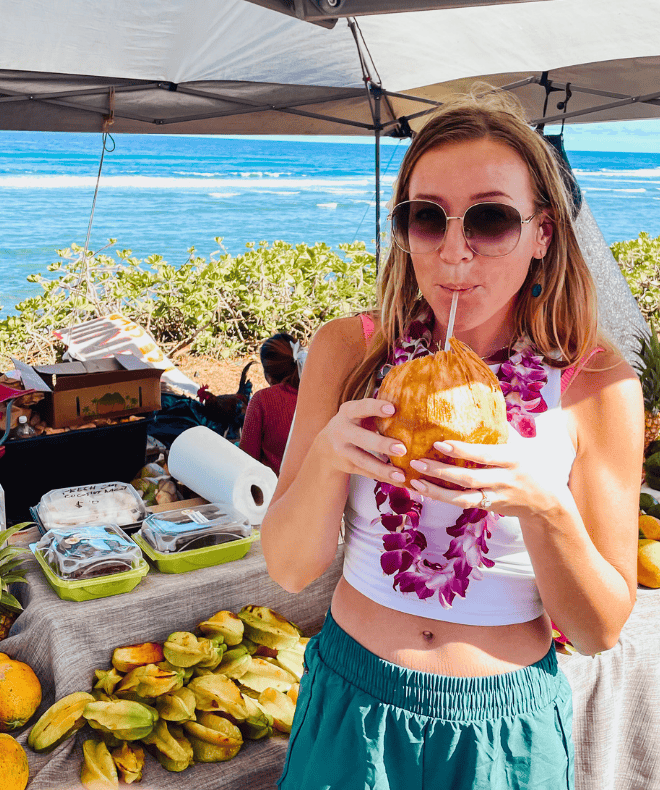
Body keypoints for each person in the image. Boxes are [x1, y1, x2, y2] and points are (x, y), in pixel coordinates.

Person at [261, 88, 644, 790]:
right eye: (425, 217)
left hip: (503, 731)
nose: (454, 251)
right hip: (351, 703)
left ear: (542, 235)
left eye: (491, 220)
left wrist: (542, 506)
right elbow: (289, 571)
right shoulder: (350, 349)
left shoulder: (597, 384)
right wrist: (324, 461)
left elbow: (596, 632)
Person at [239, 332, 306, 475]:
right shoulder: (324, 394)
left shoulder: (262, 401)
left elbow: (246, 460)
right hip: (320, 490)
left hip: (274, 492)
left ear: (268, 375)